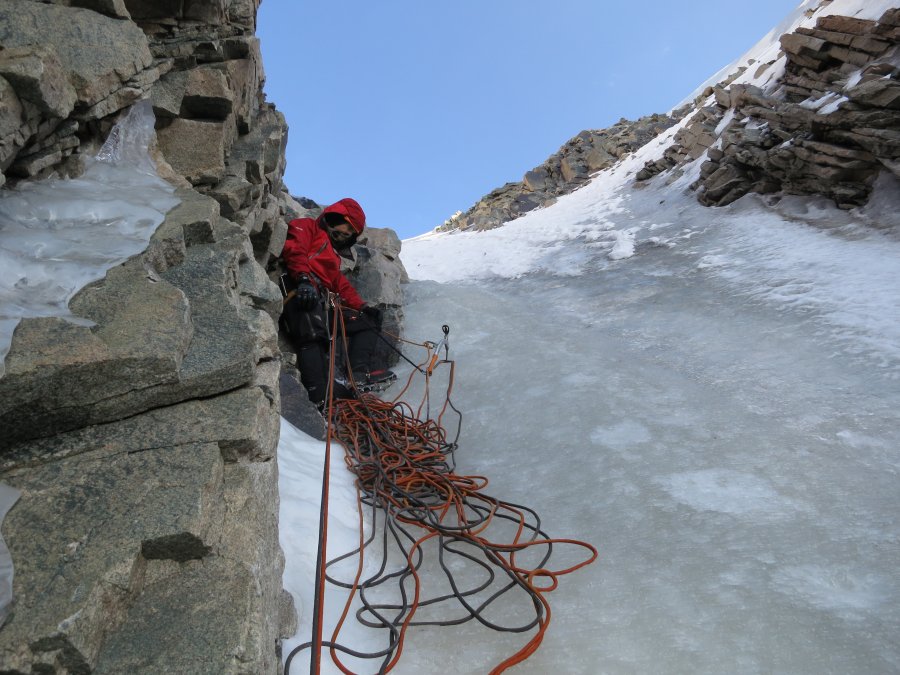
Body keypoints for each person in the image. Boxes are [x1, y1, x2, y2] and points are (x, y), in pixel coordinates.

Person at [280, 197, 394, 408]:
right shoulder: (308, 227)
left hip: (320, 302)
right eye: (346, 226)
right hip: (300, 292)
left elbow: (341, 285)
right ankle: (319, 394)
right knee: (312, 335)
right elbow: (296, 250)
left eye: (351, 231)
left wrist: (362, 307)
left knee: (367, 322)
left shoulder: (333, 258)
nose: (346, 233)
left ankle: (358, 374)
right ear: (334, 218)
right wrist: (303, 279)